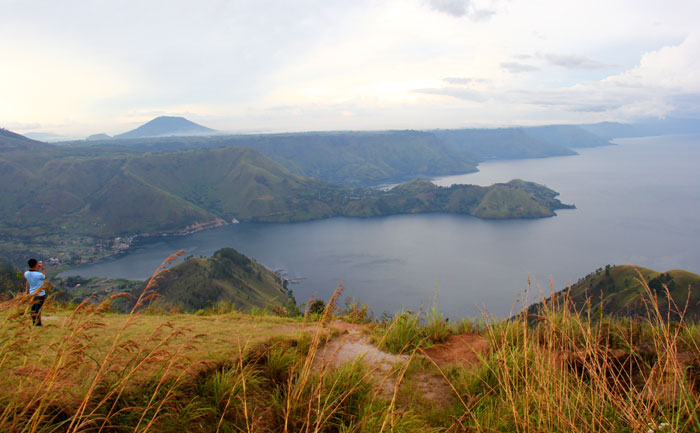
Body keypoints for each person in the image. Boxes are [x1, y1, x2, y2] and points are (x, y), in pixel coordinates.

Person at [25, 258, 47, 326]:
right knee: (38, 309)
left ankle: (34, 322)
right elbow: (44, 277)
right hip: (40, 294)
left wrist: (36, 268)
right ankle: (38, 323)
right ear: (35, 265)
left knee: (33, 308)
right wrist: (42, 268)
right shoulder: (39, 275)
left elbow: (33, 272)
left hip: (32, 294)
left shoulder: (26, 273)